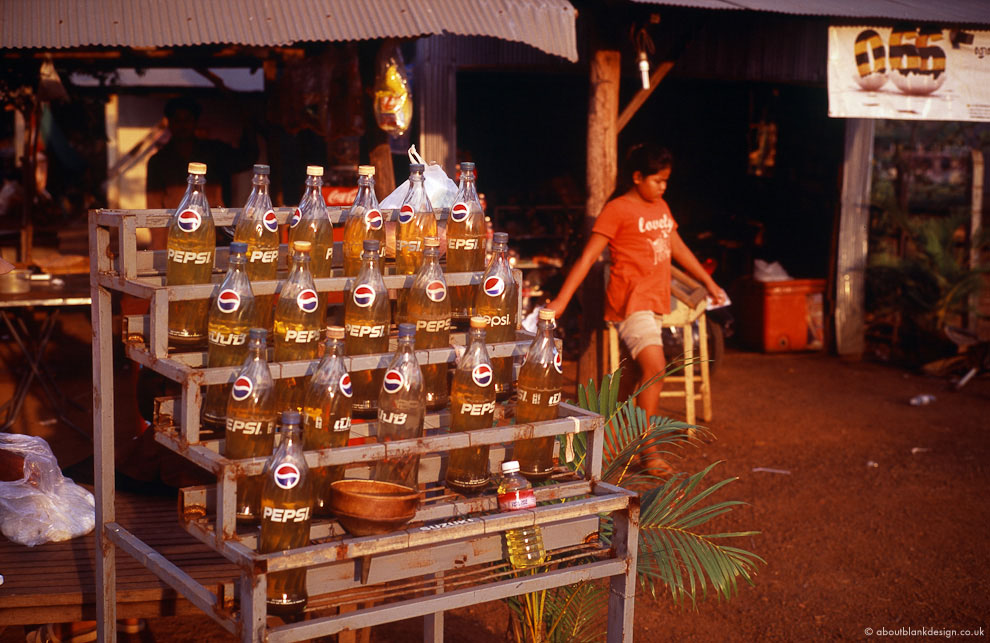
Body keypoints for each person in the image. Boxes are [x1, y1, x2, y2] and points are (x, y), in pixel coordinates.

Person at [545, 143, 725, 473]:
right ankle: (648, 452)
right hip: (630, 302)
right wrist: (561, 301)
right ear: (637, 177)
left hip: (654, 301)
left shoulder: (661, 207)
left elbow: (677, 248)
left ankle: (600, 442)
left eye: (666, 181)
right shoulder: (618, 209)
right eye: (657, 180)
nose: (662, 187)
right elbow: (587, 258)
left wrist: (708, 283)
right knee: (655, 368)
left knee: (631, 379)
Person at [145, 96, 258, 246]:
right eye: (177, 120)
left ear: (195, 122)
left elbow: (247, 158)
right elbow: (154, 206)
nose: (182, 125)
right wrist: (159, 251)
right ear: (170, 124)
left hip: (214, 235)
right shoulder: (158, 161)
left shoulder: (214, 151)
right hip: (177, 236)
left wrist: (248, 122)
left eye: (187, 119)